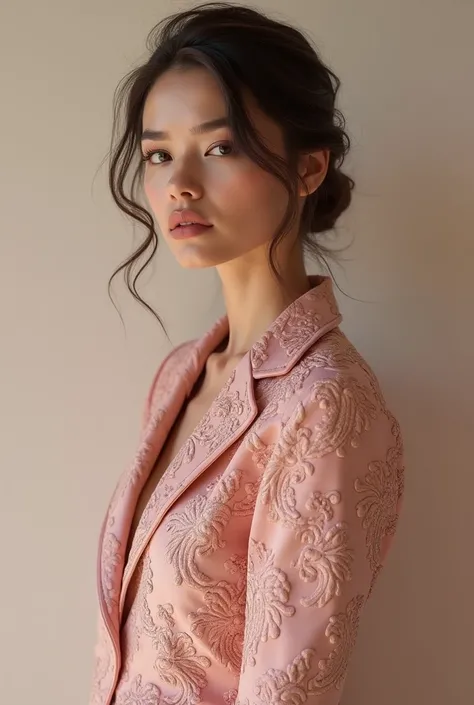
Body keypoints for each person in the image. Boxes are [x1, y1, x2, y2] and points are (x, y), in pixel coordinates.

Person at [90, 3, 404, 704]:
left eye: (219, 146)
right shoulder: (181, 373)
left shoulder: (327, 403)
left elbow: (288, 688)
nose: (180, 183)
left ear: (309, 166)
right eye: (159, 153)